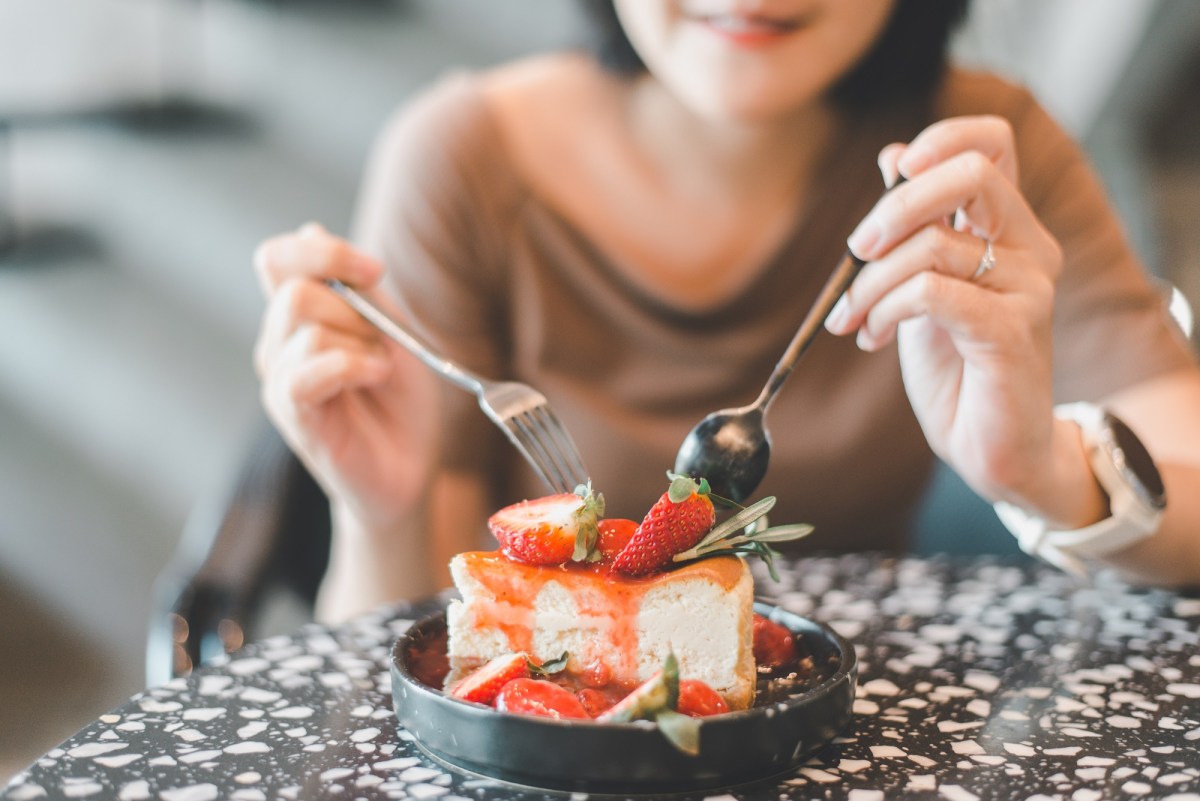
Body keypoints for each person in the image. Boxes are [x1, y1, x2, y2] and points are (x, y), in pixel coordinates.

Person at [252, 0, 1200, 622]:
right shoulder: (462, 162)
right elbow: (412, 669)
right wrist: (380, 512)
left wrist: (1041, 467)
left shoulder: (975, 168)